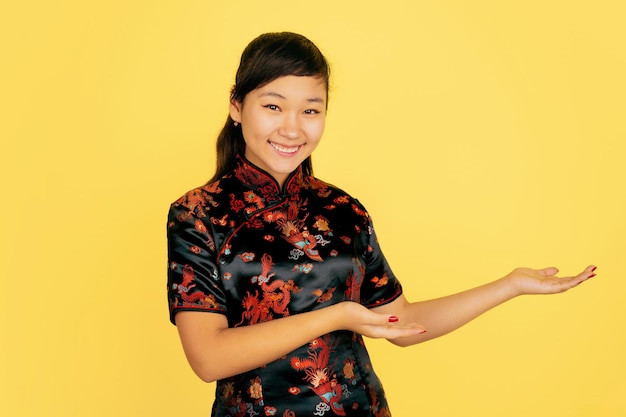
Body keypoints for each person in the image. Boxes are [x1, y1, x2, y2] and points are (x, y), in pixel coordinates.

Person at [166, 32, 596, 417]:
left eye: (310, 110)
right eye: (273, 106)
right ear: (236, 106)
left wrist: (509, 285)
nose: (292, 128)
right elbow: (209, 358)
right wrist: (336, 315)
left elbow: (401, 323)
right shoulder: (198, 214)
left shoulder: (343, 209)